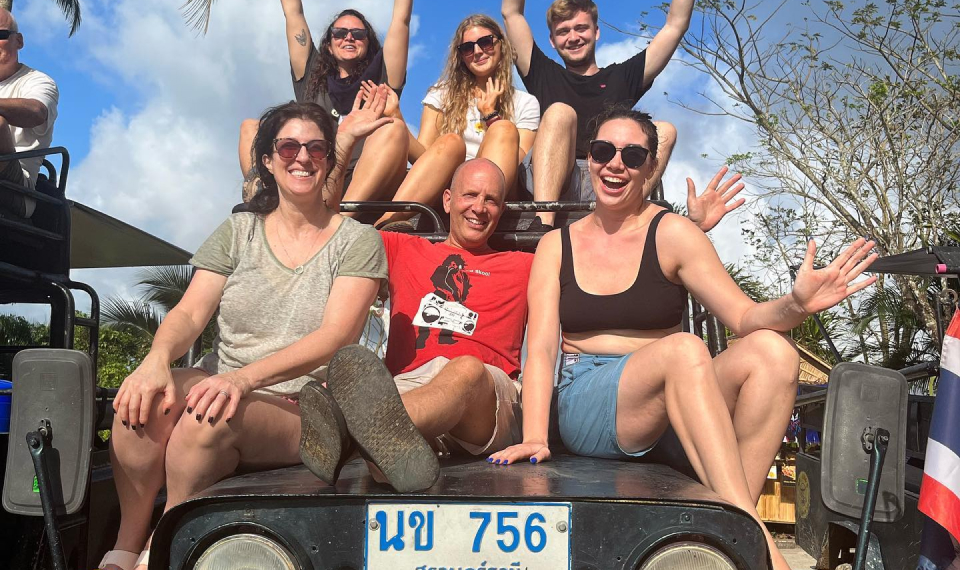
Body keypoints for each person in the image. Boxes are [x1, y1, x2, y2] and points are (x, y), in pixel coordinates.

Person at [487, 107, 878, 570]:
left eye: (633, 156)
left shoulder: (673, 233)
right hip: (588, 398)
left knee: (773, 352)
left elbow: (744, 316)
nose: (616, 164)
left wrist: (796, 304)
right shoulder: (557, 244)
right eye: (603, 151)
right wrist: (535, 436)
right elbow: (541, 348)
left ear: (651, 167)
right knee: (684, 350)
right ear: (589, 159)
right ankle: (760, 545)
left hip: (676, 400)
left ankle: (727, 529)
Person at [98, 93, 392, 570]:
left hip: (304, 404)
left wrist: (242, 379)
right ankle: (125, 545)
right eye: (289, 147)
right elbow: (190, 313)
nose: (302, 157)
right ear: (268, 161)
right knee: (141, 400)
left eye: (316, 148)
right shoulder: (238, 231)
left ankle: (164, 545)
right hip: (223, 381)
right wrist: (156, 360)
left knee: (207, 417)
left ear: (329, 160)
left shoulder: (358, 240)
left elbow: (335, 336)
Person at [299, 158, 532, 492]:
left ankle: (349, 433)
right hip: (412, 390)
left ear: (502, 209)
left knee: (466, 369)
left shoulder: (524, 265)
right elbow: (324, 224)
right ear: (448, 200)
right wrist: (345, 144)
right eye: (470, 195)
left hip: (486, 398)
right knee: (389, 434)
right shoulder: (401, 247)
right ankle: (391, 448)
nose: (479, 208)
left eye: (491, 200)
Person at [501, 0, 698, 230]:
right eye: (563, 32)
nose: (573, 37)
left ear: (596, 31)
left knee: (664, 131)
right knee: (559, 112)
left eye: (581, 28)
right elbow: (511, 13)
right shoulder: (542, 73)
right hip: (553, 178)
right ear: (552, 41)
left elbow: (676, 25)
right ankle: (543, 224)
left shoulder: (623, 77)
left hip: (612, 176)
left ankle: (628, 218)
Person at [372, 14, 540, 231]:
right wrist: (396, 117)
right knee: (451, 141)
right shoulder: (441, 94)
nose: (477, 51)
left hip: (497, 190)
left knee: (503, 129)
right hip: (449, 187)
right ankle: (387, 223)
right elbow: (424, 155)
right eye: (467, 48)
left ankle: (478, 207)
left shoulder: (525, 102)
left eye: (485, 42)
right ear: (460, 56)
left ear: (501, 45)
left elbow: (519, 162)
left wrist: (491, 115)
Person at [237, 1, 412, 207]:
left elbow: (401, 20)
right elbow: (293, 13)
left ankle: (341, 217)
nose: (349, 37)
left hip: (362, 180)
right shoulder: (312, 77)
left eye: (358, 34)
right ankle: (266, 201)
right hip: (313, 172)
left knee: (395, 128)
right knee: (250, 127)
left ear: (368, 42)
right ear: (329, 44)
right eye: (340, 33)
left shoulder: (382, 78)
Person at [0, 8, 58, 220]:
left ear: (19, 41)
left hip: (16, 187)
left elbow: (36, 112)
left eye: (0, 34)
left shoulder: (38, 81)